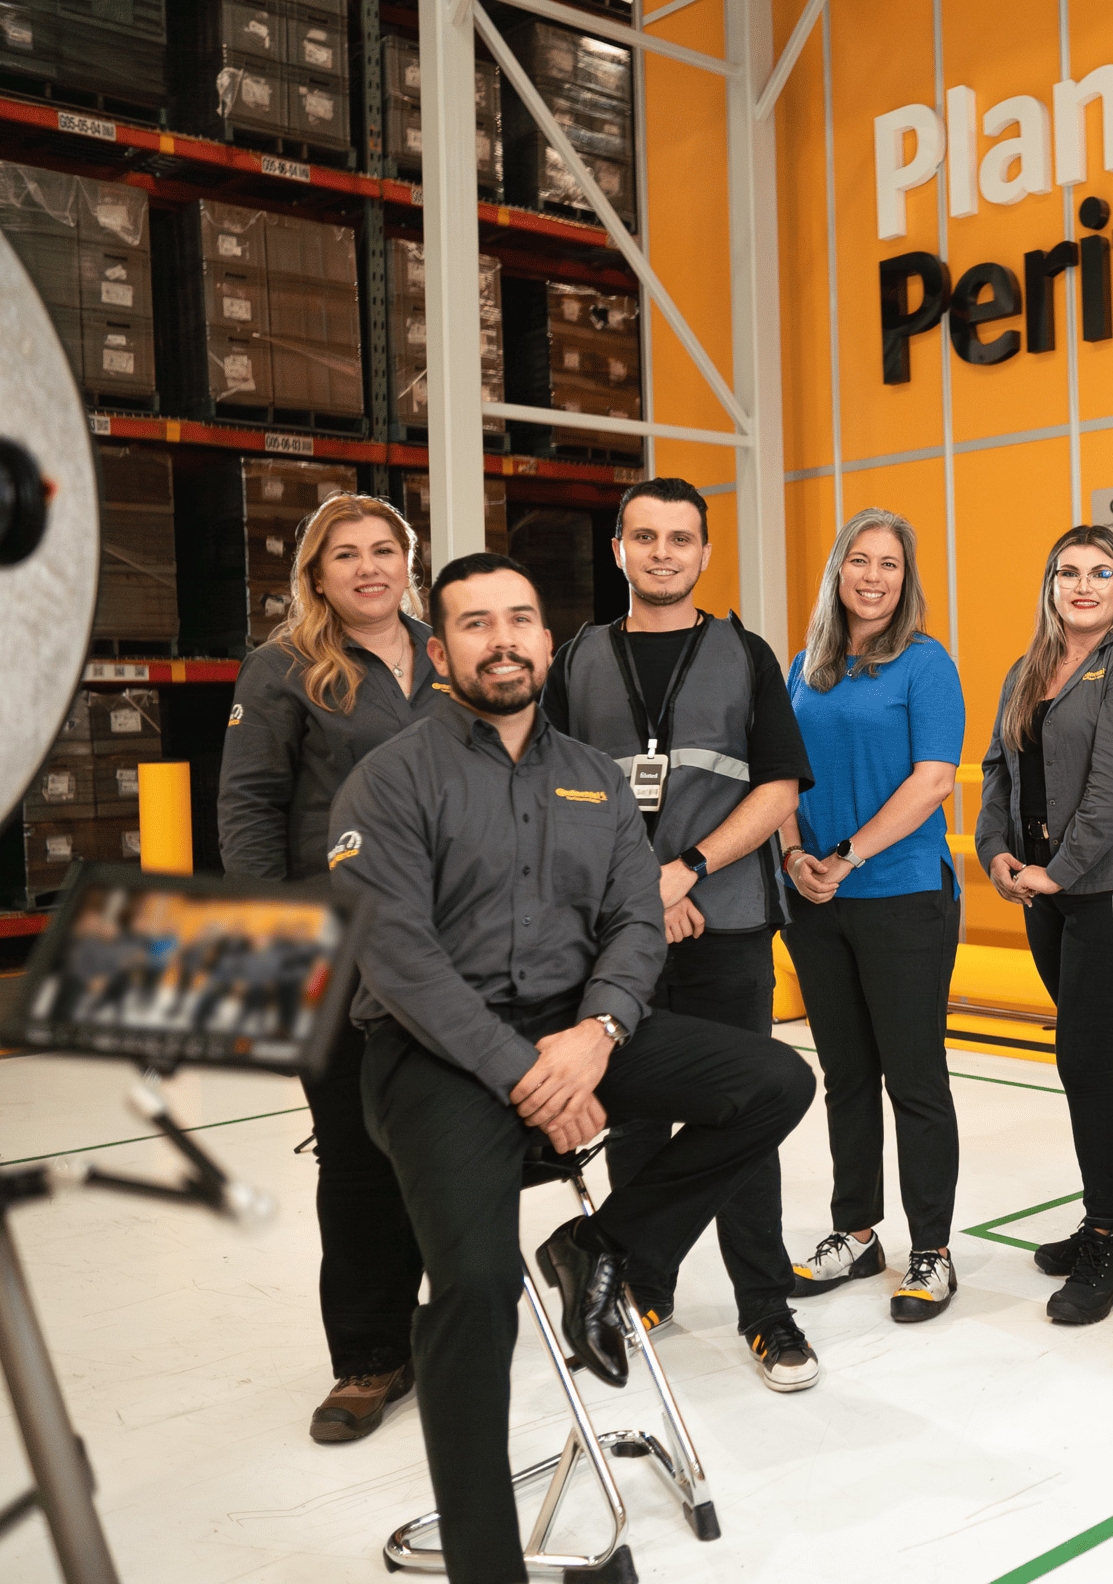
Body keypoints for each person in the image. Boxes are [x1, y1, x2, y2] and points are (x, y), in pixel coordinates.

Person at [329, 552, 813, 1584]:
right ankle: (487, 1567)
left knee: (774, 1082)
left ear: (549, 643)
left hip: (572, 1031)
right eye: (474, 623)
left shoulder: (591, 778)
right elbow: (398, 958)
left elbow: (638, 920)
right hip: (433, 1056)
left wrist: (597, 1031)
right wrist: (525, 1072)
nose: (500, 640)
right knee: (473, 1283)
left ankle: (605, 1248)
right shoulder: (391, 777)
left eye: (520, 620)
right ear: (439, 646)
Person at [540, 478, 822, 1392]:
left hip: (727, 921)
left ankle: (765, 1309)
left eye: (682, 539)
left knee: (746, 1113)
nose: (664, 553)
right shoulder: (577, 658)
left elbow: (779, 787)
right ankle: (637, 1283)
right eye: (646, 537)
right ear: (618, 550)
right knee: (631, 1114)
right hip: (612, 936)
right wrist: (637, 893)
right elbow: (545, 798)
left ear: (705, 554)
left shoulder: (745, 654)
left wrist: (686, 870)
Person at [216, 493, 437, 1444]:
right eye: (343, 555)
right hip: (339, 945)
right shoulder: (283, 670)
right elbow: (250, 810)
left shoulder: (446, 652)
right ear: (315, 575)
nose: (367, 568)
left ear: (407, 559)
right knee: (354, 1154)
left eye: (383, 550)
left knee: (445, 1143)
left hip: (450, 942)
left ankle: (454, 1323)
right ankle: (367, 1359)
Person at [976, 524, 1113, 1326]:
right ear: (1051, 585)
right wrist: (996, 851)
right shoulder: (1026, 671)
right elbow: (1000, 768)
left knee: (1080, 1054)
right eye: (1069, 572)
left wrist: (1057, 872)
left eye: (1102, 573)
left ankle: (1103, 1242)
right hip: (1044, 886)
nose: (1085, 585)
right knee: (1094, 1051)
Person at [774, 509, 965, 1323]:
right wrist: (792, 857)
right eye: (861, 560)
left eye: (890, 562)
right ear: (838, 571)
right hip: (815, 899)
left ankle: (932, 1250)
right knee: (846, 1077)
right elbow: (778, 774)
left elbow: (934, 781)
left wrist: (846, 855)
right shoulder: (803, 667)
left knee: (913, 1078)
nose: (874, 576)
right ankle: (855, 1231)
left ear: (905, 576)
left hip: (903, 895)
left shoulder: (926, 665)